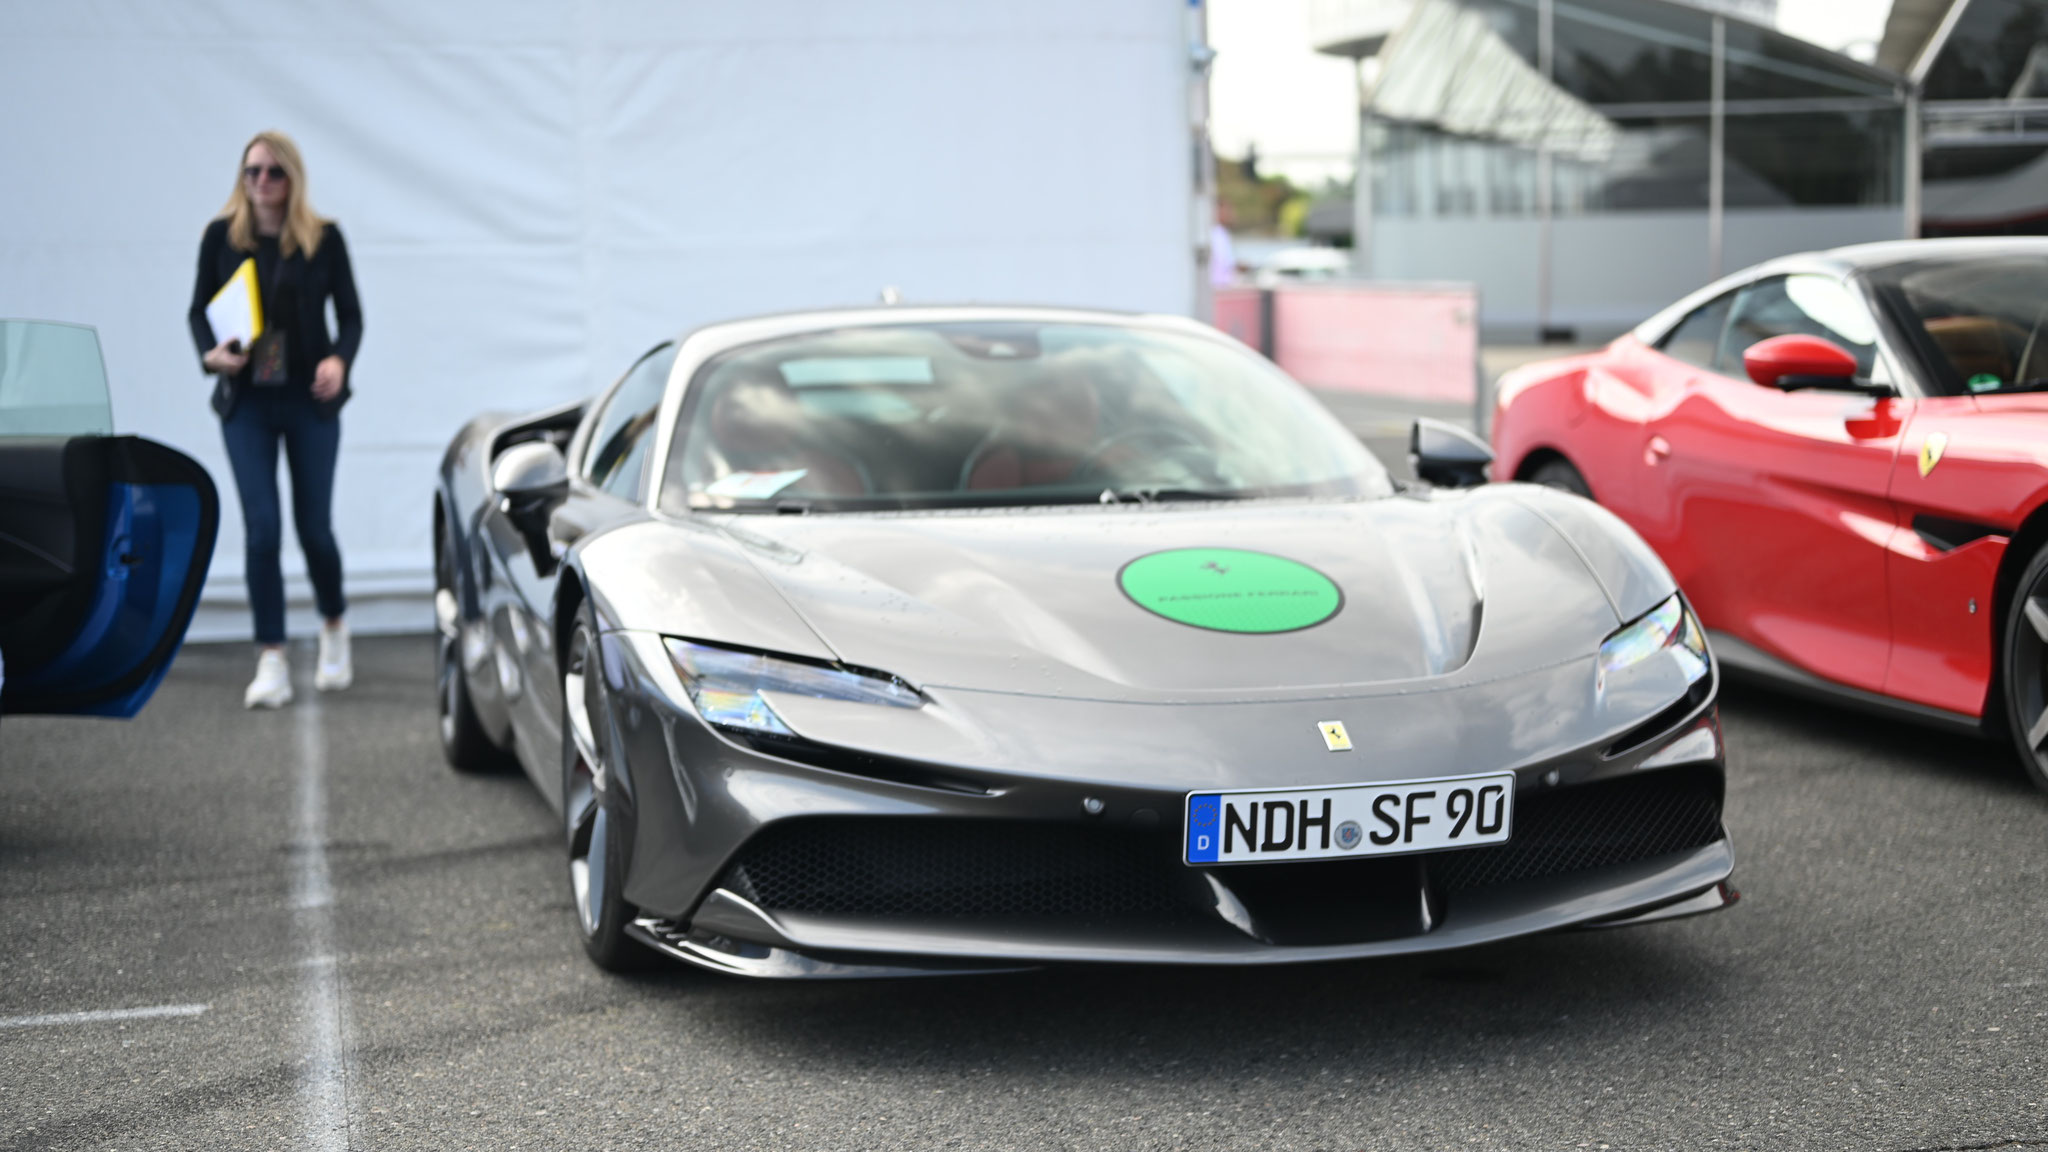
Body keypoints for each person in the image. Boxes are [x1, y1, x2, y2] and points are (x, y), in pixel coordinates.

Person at [187, 130, 361, 709]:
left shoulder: (323, 240)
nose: (262, 183)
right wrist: (211, 354)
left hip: (309, 398)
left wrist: (339, 358)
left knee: (315, 528)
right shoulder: (221, 237)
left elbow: (352, 317)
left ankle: (334, 623)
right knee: (262, 528)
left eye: (273, 173)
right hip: (248, 403)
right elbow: (198, 312)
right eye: (252, 172)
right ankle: (272, 657)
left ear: (293, 179)